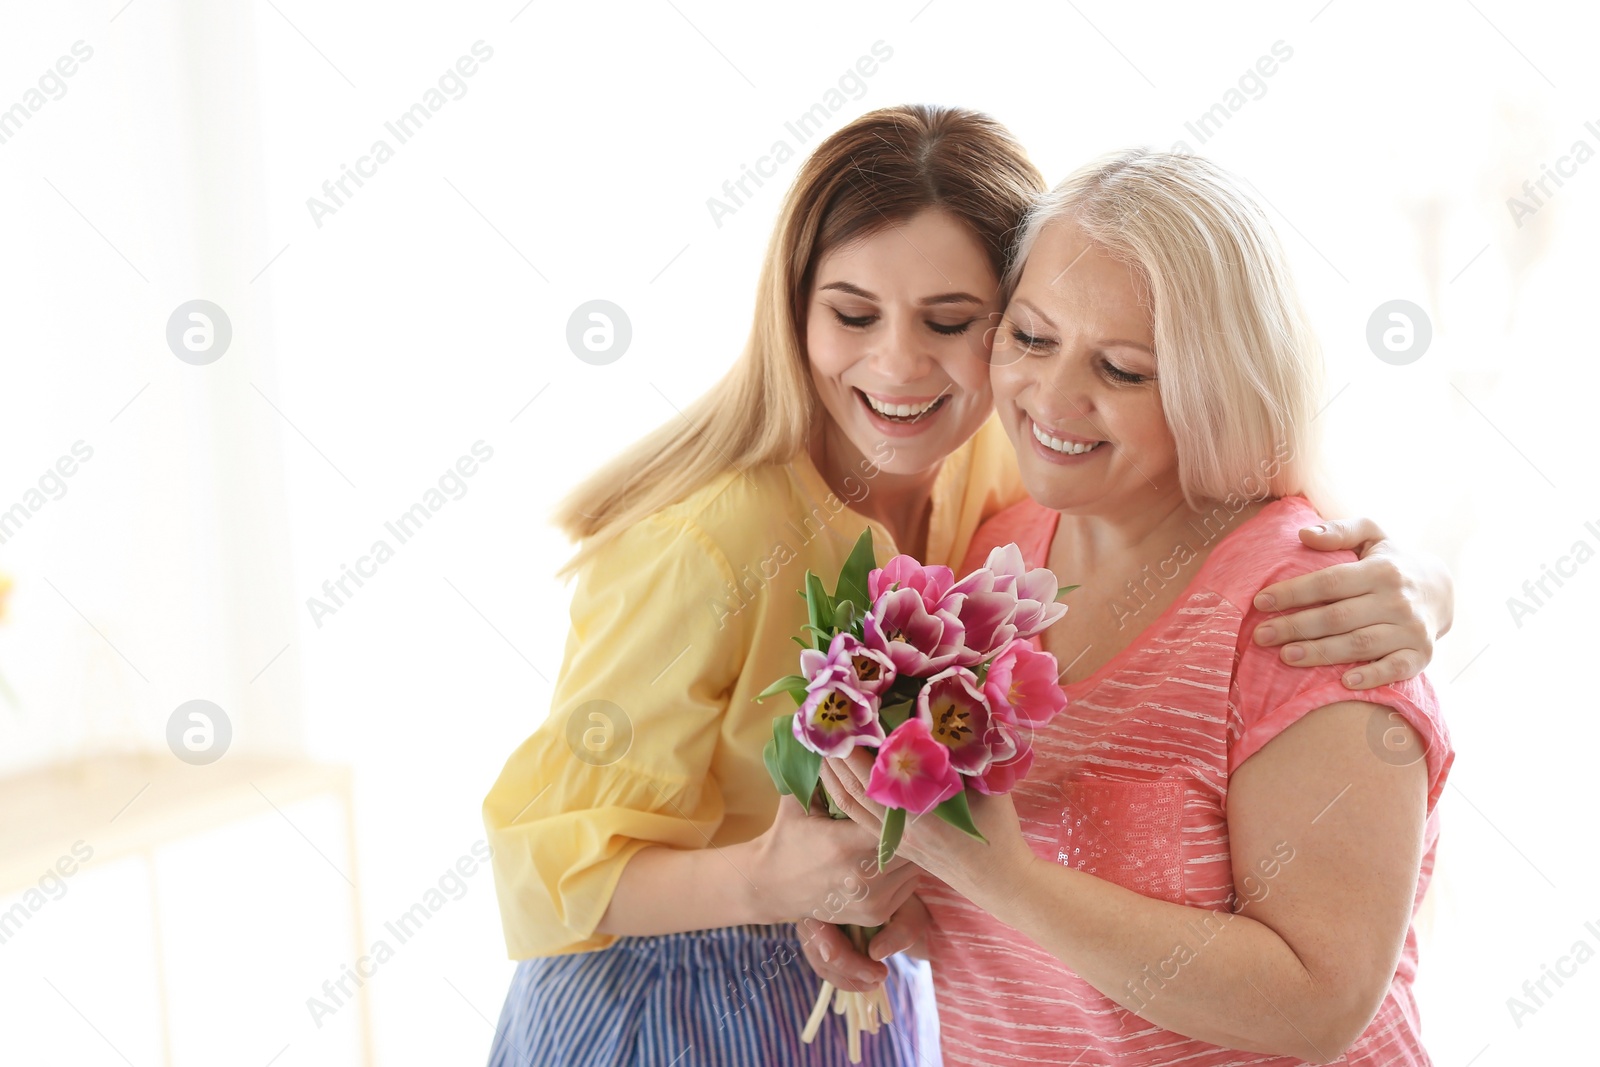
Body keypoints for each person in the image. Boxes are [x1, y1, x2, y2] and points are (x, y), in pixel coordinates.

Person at [484, 111, 1454, 1066]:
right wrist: (794, 889)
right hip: (662, 999)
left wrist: (1427, 583)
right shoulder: (793, 539)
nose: (903, 363)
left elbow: (1303, 986)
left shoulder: (991, 485)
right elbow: (540, 867)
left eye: (952, 322)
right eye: (1032, 340)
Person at [816, 149, 1454, 1065]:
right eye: (1032, 338)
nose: (1054, 396)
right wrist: (872, 907)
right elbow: (1025, 954)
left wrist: (1004, 879)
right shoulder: (984, 561)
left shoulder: (1308, 612)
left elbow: (1320, 1001)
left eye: (1122, 370)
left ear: (1217, 385)